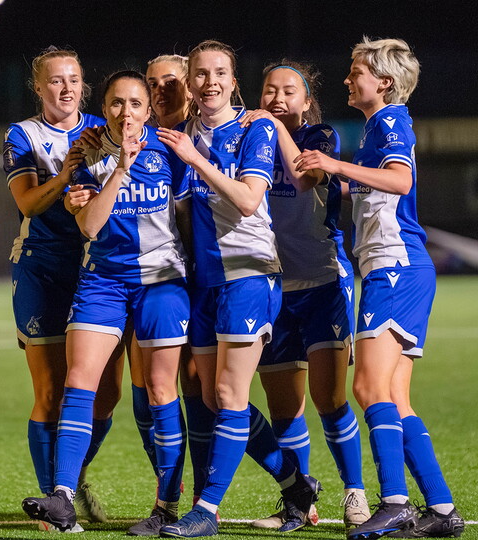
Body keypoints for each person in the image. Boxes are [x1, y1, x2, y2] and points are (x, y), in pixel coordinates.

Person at [293, 37, 465, 539]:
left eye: (357, 72)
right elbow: (372, 185)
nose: (348, 79)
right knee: (393, 396)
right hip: (398, 268)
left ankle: (393, 503)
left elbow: (400, 181)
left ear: (384, 83)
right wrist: (335, 179)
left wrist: (336, 166)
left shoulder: (391, 119)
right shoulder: (375, 126)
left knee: (368, 389)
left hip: (394, 267)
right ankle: (442, 510)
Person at [155, 40, 317, 538]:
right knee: (212, 394)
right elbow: (181, 214)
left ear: (233, 79)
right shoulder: (182, 135)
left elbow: (249, 200)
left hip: (249, 273)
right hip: (204, 281)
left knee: (228, 391)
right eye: (200, 74)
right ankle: (295, 483)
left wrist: (194, 159)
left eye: (219, 72)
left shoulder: (257, 128)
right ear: (190, 83)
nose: (209, 82)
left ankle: (206, 509)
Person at [22, 70, 190, 536]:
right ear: (106, 107)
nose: (126, 113)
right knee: (81, 381)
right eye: (117, 103)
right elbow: (91, 227)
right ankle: (62, 497)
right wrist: (121, 167)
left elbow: (192, 215)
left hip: (161, 282)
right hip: (103, 282)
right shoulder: (89, 153)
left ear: (149, 109)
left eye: (136, 103)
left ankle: (166, 507)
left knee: (159, 393)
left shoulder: (171, 147)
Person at [240, 60, 370, 530]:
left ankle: (355, 495)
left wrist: (273, 126)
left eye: (288, 91)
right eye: (269, 90)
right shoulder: (246, 139)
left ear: (306, 101)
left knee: (329, 398)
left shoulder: (322, 138)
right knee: (283, 407)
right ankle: (300, 502)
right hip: (272, 287)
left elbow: (305, 177)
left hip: (322, 282)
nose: (277, 98)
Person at [3, 46, 121, 529]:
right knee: (51, 393)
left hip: (97, 271)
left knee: (107, 396)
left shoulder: (104, 129)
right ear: (39, 87)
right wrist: (67, 175)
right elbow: (28, 203)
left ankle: (71, 475)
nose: (66, 88)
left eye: (74, 78)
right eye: (56, 80)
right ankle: (55, 503)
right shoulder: (22, 134)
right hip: (42, 270)